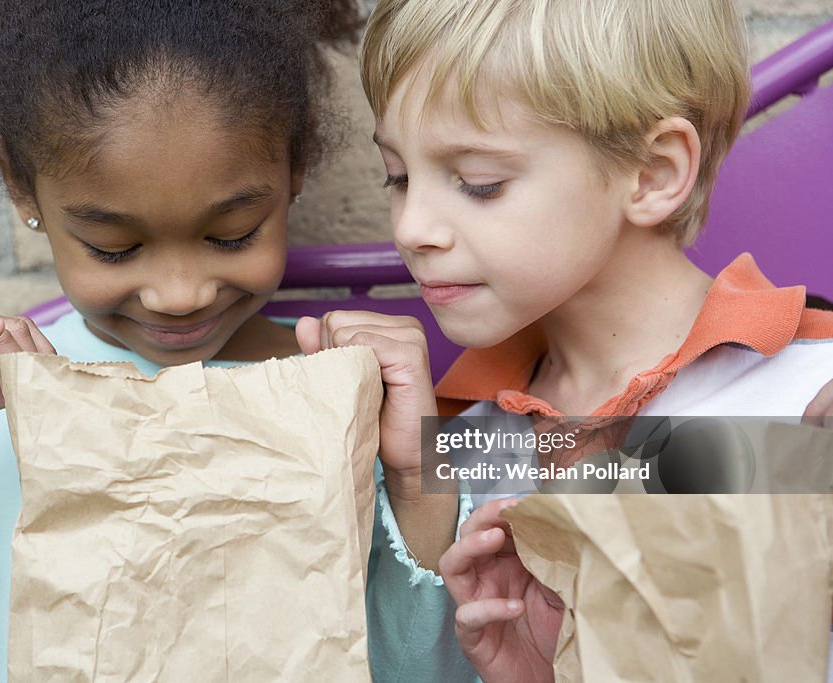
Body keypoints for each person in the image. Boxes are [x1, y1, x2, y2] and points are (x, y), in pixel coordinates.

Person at [0, 1, 472, 680]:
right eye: (114, 248)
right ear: (18, 184)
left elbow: (432, 670)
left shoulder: (350, 400)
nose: (178, 292)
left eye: (232, 233)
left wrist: (419, 475)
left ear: (294, 164)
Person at [336, 0, 833, 680]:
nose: (412, 225)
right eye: (397, 176)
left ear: (654, 173)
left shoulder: (812, 395)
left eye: (479, 183)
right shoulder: (465, 444)